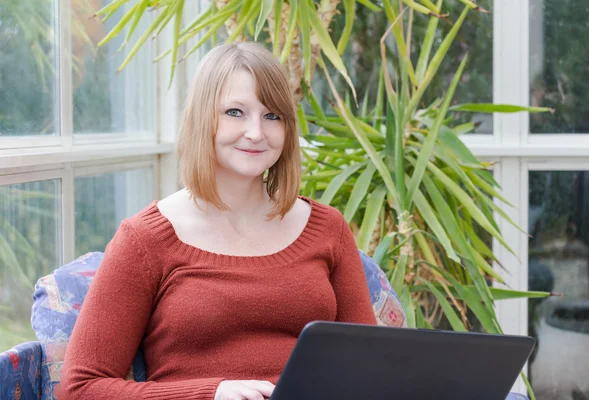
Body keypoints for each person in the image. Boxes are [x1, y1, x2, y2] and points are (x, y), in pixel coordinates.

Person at [60, 42, 376, 400]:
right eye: (235, 112)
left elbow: (367, 367)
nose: (256, 132)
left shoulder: (327, 228)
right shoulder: (144, 239)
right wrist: (211, 394)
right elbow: (80, 388)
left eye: (272, 116)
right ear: (202, 119)